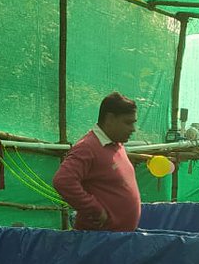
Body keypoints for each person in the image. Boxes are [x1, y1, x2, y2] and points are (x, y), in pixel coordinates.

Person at [52, 92, 142, 232]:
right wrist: (94, 208)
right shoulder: (87, 147)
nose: (133, 129)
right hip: (98, 243)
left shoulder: (117, 145)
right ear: (110, 118)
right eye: (128, 123)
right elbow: (63, 180)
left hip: (120, 240)